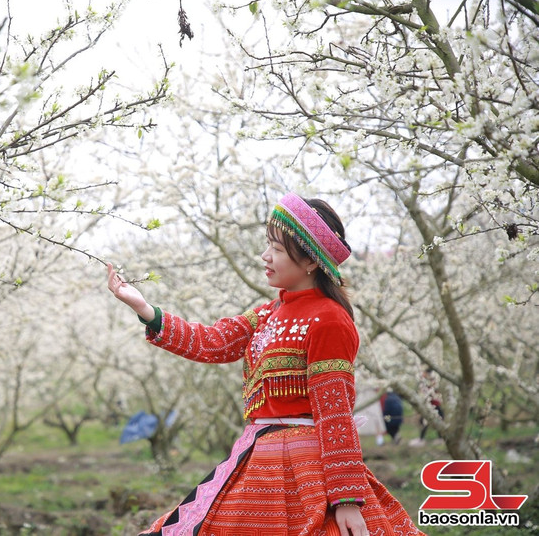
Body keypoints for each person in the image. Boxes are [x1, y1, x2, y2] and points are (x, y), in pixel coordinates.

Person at [106, 192, 425, 536]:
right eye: (267, 245)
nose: (265, 256)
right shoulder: (266, 314)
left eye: (275, 248)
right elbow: (212, 342)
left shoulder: (329, 320)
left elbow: (335, 413)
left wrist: (347, 499)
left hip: (306, 468)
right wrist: (144, 309)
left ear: (311, 261)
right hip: (257, 459)